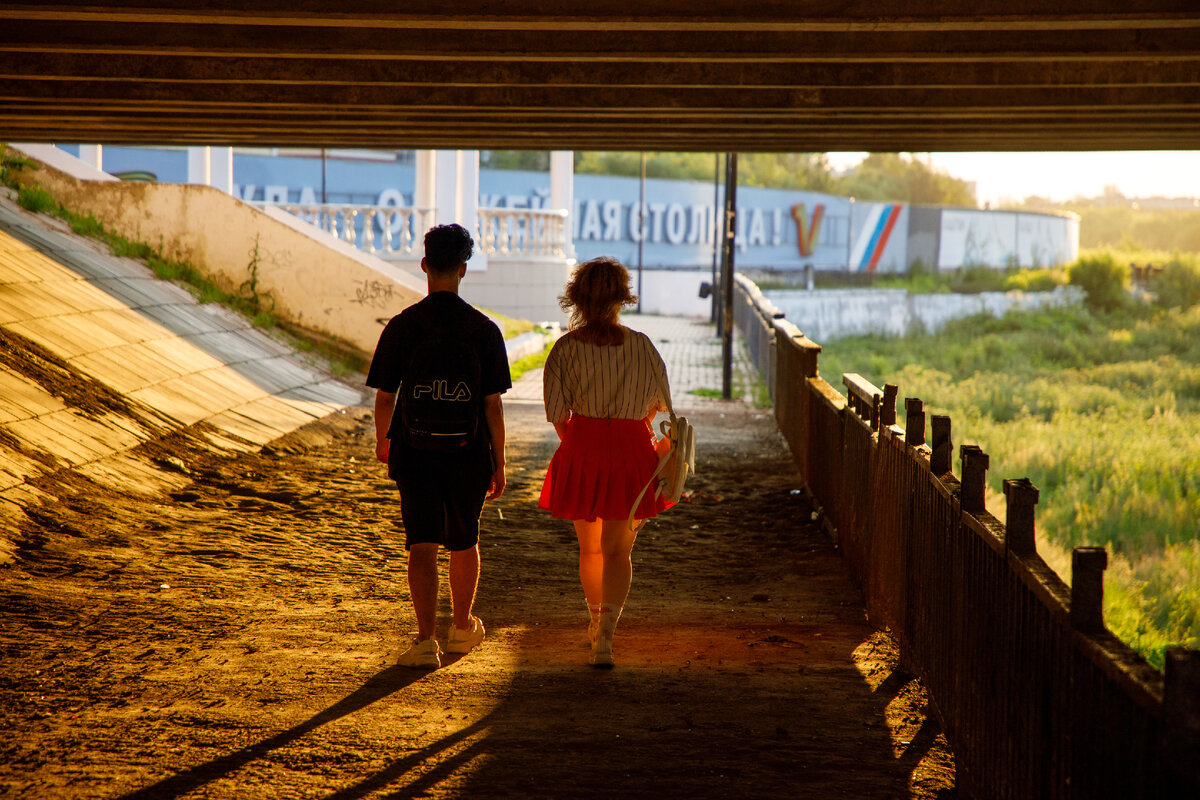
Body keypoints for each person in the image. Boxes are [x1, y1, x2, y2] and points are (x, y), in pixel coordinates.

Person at [366, 223, 510, 669]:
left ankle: (425, 639)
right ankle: (462, 627)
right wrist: (498, 461)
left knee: (422, 543)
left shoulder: (403, 326)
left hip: (415, 450)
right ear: (464, 269)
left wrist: (384, 443)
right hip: (468, 453)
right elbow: (492, 407)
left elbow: (385, 397)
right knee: (464, 539)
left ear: (425, 265)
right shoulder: (484, 330)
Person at [539, 257, 674, 667]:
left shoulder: (564, 350)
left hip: (582, 448)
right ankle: (607, 638)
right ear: (622, 298)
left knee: (591, 550)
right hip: (634, 452)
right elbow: (662, 411)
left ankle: (594, 621)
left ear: (577, 298)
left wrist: (583, 442)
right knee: (619, 552)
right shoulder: (644, 347)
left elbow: (558, 414)